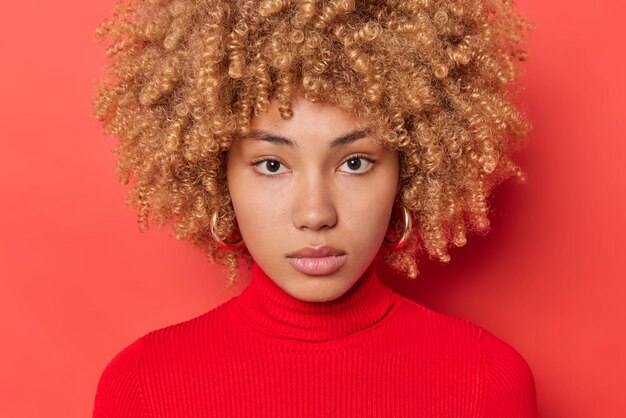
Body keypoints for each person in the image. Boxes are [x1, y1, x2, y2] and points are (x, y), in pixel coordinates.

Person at [91, 0, 538, 416]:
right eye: (271, 164)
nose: (315, 213)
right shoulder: (143, 387)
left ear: (410, 168)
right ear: (216, 174)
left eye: (355, 162)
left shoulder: (486, 382)